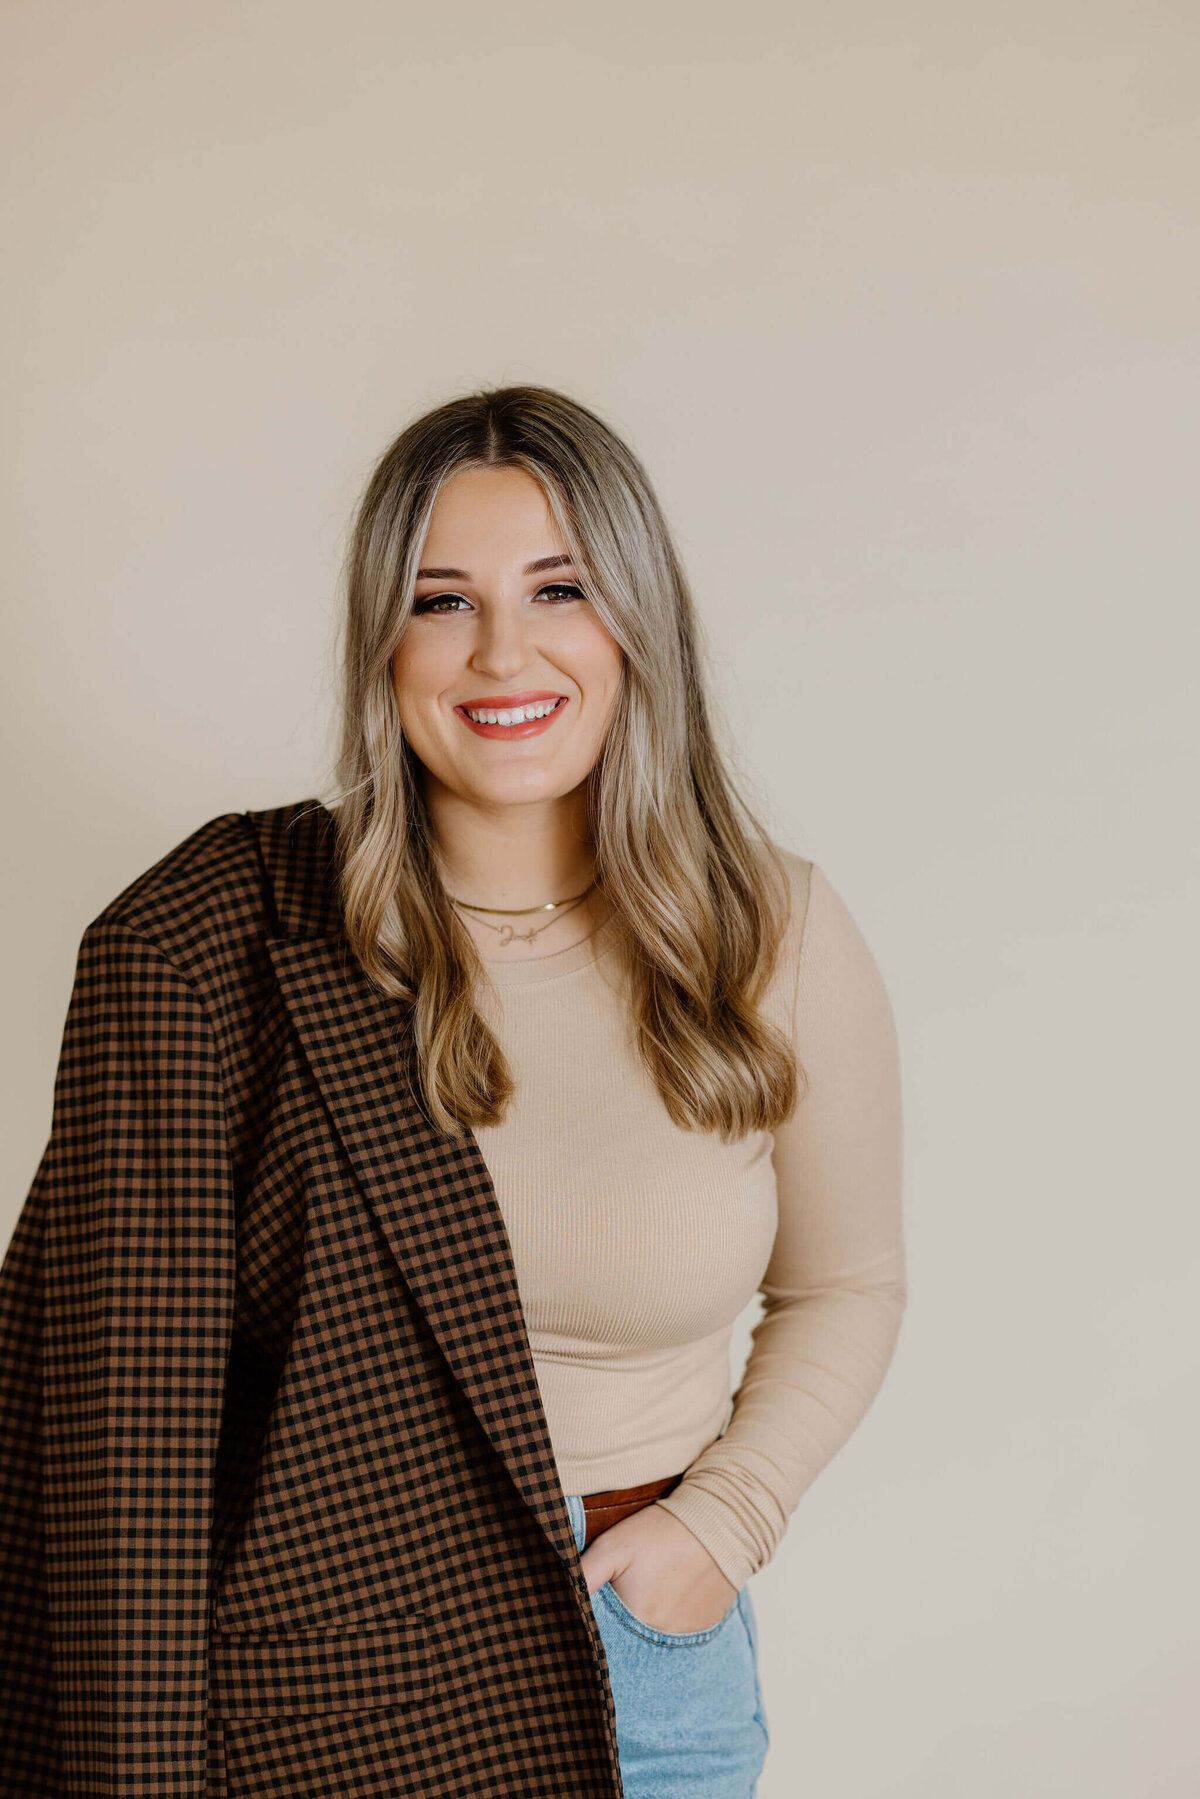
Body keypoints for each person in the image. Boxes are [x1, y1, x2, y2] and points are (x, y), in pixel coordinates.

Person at [0, 383, 906, 1799]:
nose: (503, 651)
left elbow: (847, 1284)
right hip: (323, 1690)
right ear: (381, 641)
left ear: (635, 624)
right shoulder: (208, 944)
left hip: (645, 1677)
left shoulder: (767, 930)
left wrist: (721, 1528)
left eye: (560, 587)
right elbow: (120, 1457)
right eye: (441, 600)